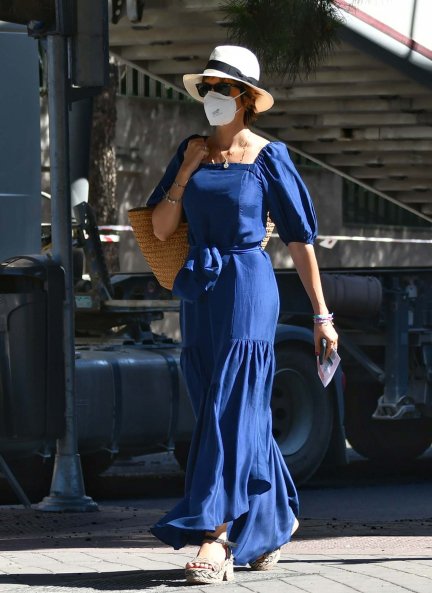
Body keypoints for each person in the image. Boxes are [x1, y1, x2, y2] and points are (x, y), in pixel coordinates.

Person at [146, 45, 338, 585]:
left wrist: (322, 315)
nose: (211, 96)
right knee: (223, 408)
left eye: (222, 88)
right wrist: (185, 169)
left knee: (229, 409)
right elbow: (161, 229)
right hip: (200, 289)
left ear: (247, 99)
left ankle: (214, 537)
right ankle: (277, 517)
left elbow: (300, 241)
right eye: (206, 87)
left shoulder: (269, 157)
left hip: (249, 289)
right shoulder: (190, 150)